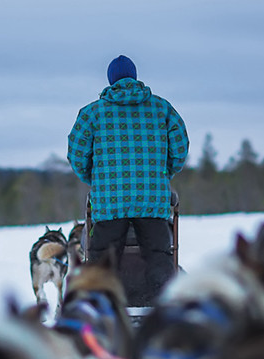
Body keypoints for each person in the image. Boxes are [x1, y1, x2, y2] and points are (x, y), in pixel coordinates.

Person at [67, 55, 188, 304]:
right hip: (152, 198)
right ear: (134, 76)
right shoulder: (162, 108)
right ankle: (160, 305)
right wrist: (162, 173)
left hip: (109, 201)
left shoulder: (93, 113)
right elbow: (180, 147)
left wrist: (94, 178)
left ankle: (102, 305)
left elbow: (77, 153)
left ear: (111, 80)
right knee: (158, 255)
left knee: (102, 258)